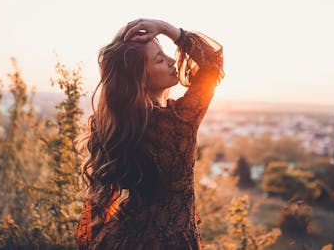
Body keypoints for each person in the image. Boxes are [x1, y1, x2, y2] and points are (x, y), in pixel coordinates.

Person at [75, 18, 224, 249]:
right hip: (172, 240)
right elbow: (212, 62)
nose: (173, 60)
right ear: (141, 79)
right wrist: (167, 29)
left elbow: (101, 201)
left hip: (126, 238)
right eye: (160, 60)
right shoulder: (178, 120)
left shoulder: (115, 124)